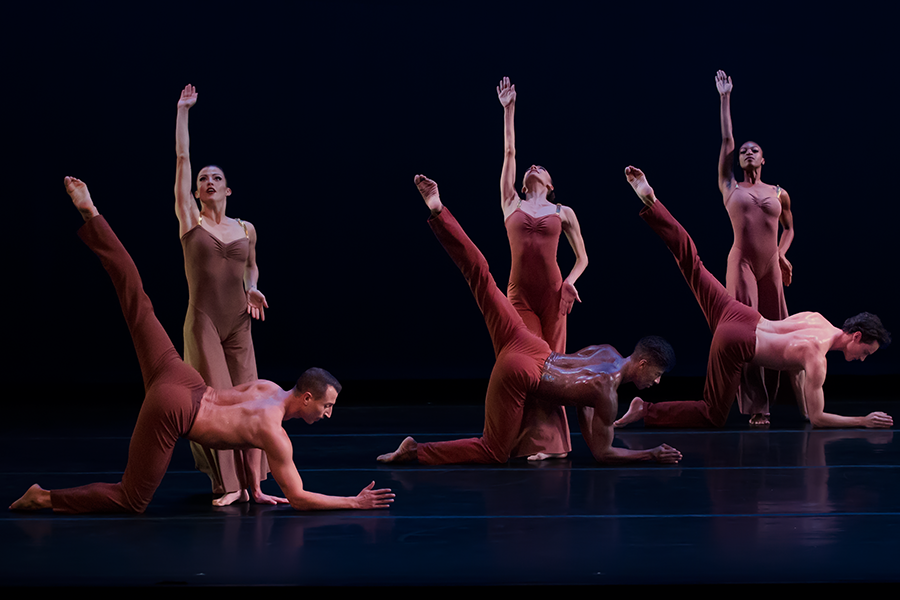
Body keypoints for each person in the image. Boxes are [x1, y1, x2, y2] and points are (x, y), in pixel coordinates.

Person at [9, 178, 393, 514]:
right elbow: (299, 497)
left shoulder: (268, 390)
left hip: (181, 376)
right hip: (176, 407)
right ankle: (44, 498)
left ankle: (92, 213)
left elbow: (244, 435)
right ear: (307, 398)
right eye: (326, 406)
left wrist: (253, 487)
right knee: (131, 498)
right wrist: (354, 502)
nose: (327, 414)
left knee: (137, 301)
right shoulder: (275, 433)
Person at [376, 175, 681, 466]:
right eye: (657, 374)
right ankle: (415, 452)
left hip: (526, 341)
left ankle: (439, 212)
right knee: (493, 451)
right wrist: (651, 454)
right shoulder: (607, 395)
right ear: (643, 363)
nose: (656, 381)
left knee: (480, 275)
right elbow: (604, 453)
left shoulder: (607, 352)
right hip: (523, 371)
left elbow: (581, 395)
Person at [616, 166, 892, 430]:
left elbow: (791, 356)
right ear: (855, 336)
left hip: (737, 312)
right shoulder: (817, 358)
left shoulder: (816, 318)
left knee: (692, 263)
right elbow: (818, 419)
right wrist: (863, 420)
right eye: (866, 352)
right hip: (737, 341)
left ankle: (652, 202)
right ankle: (645, 409)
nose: (863, 359)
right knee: (712, 413)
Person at [175, 84, 270, 506]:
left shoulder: (246, 228)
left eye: (216, 178)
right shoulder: (189, 221)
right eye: (203, 179)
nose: (208, 182)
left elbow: (250, 266)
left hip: (239, 320)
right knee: (215, 400)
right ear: (195, 191)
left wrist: (253, 289)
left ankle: (256, 484)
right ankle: (228, 485)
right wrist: (183, 113)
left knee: (249, 396)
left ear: (228, 190)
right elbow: (182, 160)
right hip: (204, 322)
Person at [497, 77, 589, 460]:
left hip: (553, 294)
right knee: (528, 362)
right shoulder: (510, 203)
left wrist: (569, 282)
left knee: (552, 367)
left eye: (542, 168)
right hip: (519, 294)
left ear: (551, 185)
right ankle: (523, 440)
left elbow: (583, 257)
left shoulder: (562, 212)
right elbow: (510, 151)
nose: (533, 166)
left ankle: (554, 446)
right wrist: (509, 109)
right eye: (529, 166)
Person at [716, 70, 796, 426]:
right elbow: (728, 141)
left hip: (771, 266)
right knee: (750, 330)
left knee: (778, 328)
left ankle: (780, 397)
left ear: (764, 160)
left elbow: (790, 228)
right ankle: (755, 406)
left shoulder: (778, 192)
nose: (748, 153)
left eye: (755, 151)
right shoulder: (729, 185)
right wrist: (725, 98)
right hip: (743, 263)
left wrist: (781, 253)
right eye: (745, 151)